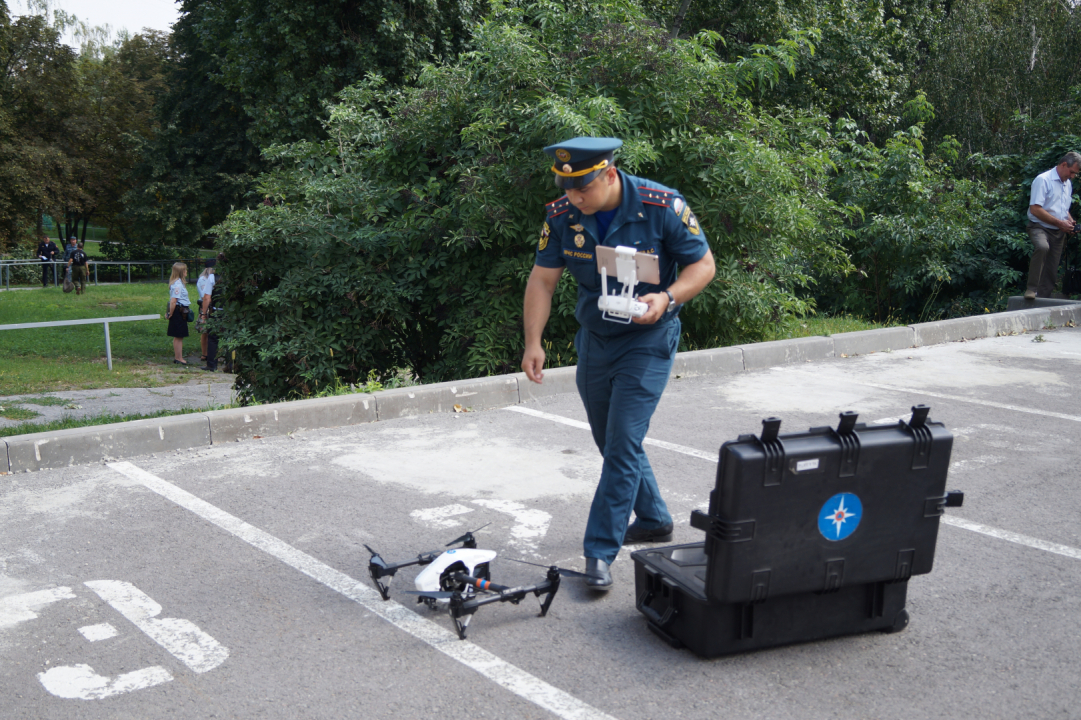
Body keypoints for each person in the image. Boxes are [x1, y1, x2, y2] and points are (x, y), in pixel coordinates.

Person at [521, 137, 716, 590]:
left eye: (582, 188)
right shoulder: (562, 216)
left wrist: (667, 297)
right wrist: (534, 341)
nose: (574, 197)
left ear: (609, 174)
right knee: (609, 438)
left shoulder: (661, 206)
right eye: (566, 188)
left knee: (624, 442)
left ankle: (599, 552)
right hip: (597, 339)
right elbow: (542, 281)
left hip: (648, 339)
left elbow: (703, 266)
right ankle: (653, 519)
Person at [1025, 152, 1080, 299]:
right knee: (1042, 247)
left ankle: (1044, 298)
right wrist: (1060, 223)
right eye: (1072, 172)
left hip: (1058, 231)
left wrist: (1069, 221)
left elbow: (1062, 208)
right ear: (1063, 165)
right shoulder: (1043, 180)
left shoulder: (1067, 183)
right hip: (1039, 226)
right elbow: (1035, 209)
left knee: (1052, 265)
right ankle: (1031, 289)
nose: (1073, 176)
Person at [201, 254, 225, 372]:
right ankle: (231, 365)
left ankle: (211, 364)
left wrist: (203, 313)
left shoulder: (212, 277)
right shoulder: (235, 278)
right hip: (231, 312)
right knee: (231, 338)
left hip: (216, 311)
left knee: (213, 338)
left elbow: (207, 298)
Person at [167, 262, 192, 365]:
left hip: (181, 311)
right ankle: (179, 358)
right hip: (178, 311)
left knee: (179, 335)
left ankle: (178, 357)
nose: (186, 272)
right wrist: (170, 313)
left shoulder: (179, 283)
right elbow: (173, 301)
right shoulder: (178, 284)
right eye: (185, 270)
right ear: (181, 272)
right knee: (179, 335)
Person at [196, 259, 216, 362]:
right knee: (206, 331)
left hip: (204, 306)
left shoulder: (201, 279)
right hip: (207, 306)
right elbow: (205, 295)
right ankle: (205, 353)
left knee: (206, 332)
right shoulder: (205, 279)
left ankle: (206, 353)